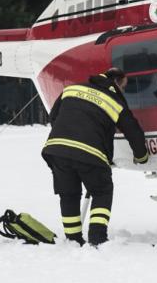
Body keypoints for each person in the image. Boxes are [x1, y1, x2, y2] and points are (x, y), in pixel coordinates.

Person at [41, 67, 149, 246]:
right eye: (124, 87)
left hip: (57, 150)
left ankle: (73, 240)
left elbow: (54, 116)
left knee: (69, 195)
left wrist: (66, 138)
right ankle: (97, 238)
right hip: (89, 153)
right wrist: (141, 156)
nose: (124, 91)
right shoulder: (115, 101)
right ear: (117, 83)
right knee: (102, 190)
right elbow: (133, 131)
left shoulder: (73, 89)